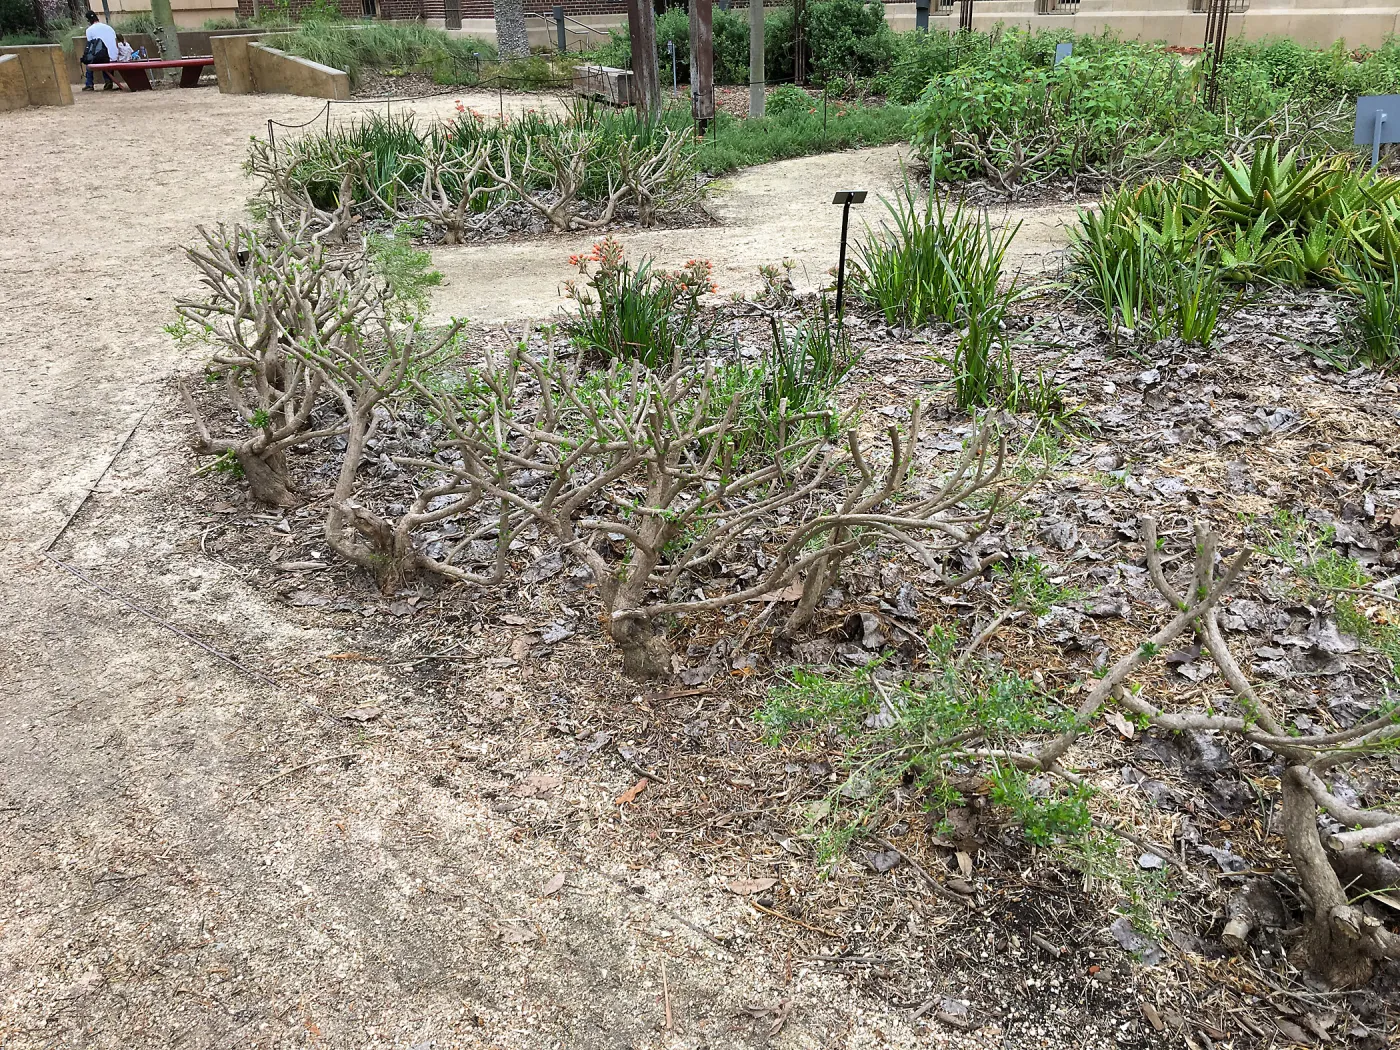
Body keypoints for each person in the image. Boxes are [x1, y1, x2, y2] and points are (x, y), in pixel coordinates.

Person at [82, 11, 118, 93]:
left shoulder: (89, 30)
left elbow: (91, 46)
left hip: (104, 57)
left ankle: (89, 84)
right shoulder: (109, 27)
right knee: (105, 58)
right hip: (113, 56)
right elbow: (115, 42)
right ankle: (108, 80)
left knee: (90, 60)